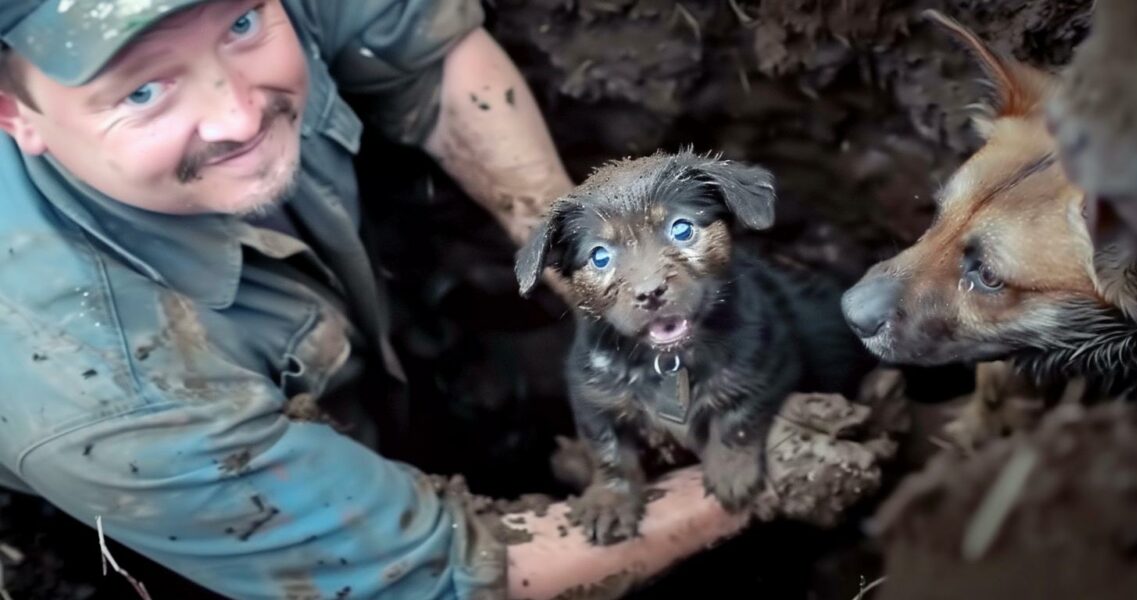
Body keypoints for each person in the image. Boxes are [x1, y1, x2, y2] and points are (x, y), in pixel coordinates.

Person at [0, 1, 751, 598]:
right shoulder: (103, 392)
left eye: (240, 23)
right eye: (143, 90)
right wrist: (755, 480)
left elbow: (421, 47)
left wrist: (587, 265)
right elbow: (436, 576)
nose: (239, 115)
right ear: (14, 115)